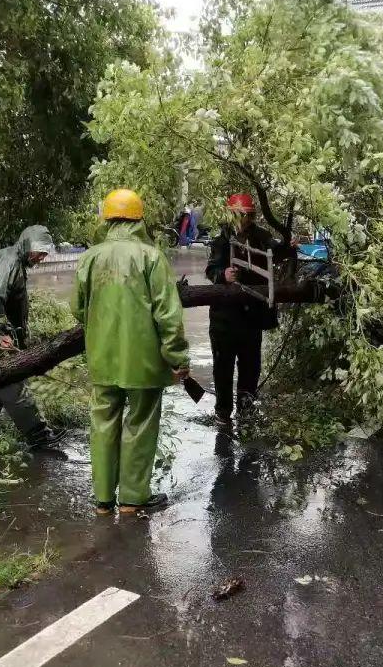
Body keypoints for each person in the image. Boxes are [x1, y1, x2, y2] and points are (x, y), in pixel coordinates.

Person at [72, 189, 191, 515]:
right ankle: (133, 500)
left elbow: (77, 308)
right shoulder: (151, 257)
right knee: (140, 423)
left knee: (102, 422)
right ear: (140, 219)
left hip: (102, 358)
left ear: (106, 219)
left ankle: (103, 501)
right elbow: (168, 315)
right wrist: (178, 359)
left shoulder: (89, 257)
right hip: (144, 361)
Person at [0, 225, 65, 450]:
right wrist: (3, 334)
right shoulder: (10, 262)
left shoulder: (12, 260)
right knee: (12, 383)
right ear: (27, 246)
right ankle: (39, 436)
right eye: (39, 252)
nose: (41, 258)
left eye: (45, 253)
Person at [205, 193, 294, 424]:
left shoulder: (261, 237)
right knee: (223, 368)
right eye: (239, 215)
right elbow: (211, 269)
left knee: (250, 367)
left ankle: (246, 410)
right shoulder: (221, 240)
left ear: (251, 217)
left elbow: (277, 253)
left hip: (251, 316)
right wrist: (222, 275)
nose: (243, 220)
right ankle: (223, 413)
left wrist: (288, 246)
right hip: (224, 318)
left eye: (246, 216)